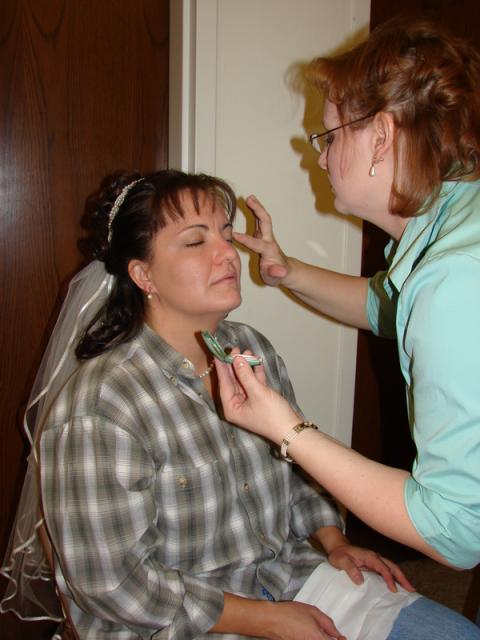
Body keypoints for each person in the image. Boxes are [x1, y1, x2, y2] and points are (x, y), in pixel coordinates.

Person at [1, 169, 477, 640]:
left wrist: (333, 541)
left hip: (288, 575)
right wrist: (264, 619)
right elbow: (114, 583)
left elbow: (297, 467)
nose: (228, 252)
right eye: (196, 241)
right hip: (178, 620)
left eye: (227, 235)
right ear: (143, 275)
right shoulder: (103, 405)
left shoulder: (251, 349)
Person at [214, 16, 480, 579]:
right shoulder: (451, 226)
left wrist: (288, 431)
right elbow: (385, 307)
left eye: (330, 137)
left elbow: (456, 531)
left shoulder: (454, 279)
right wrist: (286, 271)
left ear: (380, 136)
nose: (321, 157)